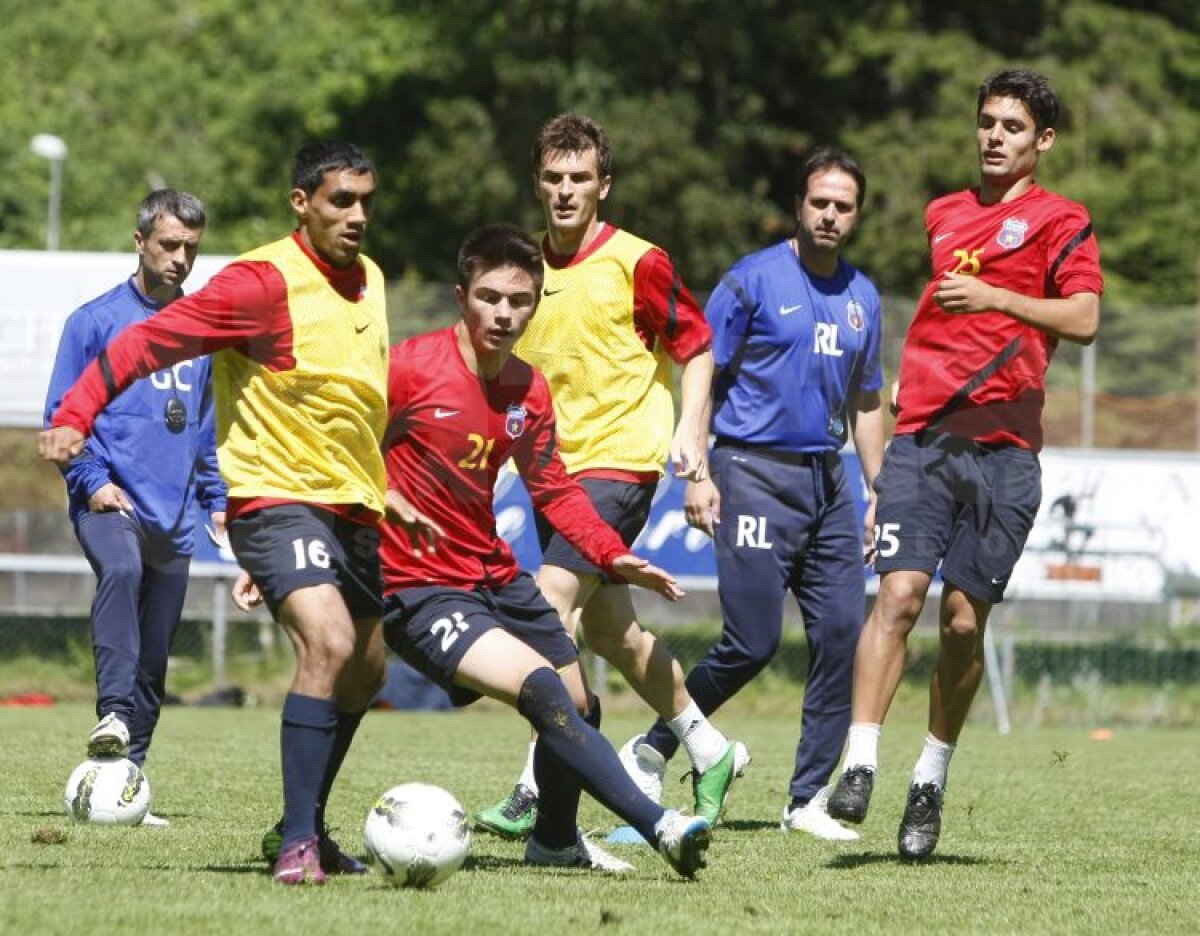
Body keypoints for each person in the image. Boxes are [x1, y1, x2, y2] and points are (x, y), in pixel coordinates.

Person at [40, 140, 392, 886]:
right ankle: (296, 845)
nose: (358, 215)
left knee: (364, 671)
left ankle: (306, 827)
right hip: (275, 496)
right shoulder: (260, 281)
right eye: (341, 200)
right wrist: (76, 416)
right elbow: (148, 342)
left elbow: (361, 406)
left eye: (366, 200)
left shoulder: (373, 282)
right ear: (302, 202)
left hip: (354, 504)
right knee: (325, 645)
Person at [826, 69, 1103, 859]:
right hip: (924, 439)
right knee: (901, 595)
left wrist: (999, 300)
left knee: (959, 620)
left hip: (1008, 454)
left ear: (1042, 141)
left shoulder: (1062, 220)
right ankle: (861, 763)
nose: (994, 137)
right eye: (986, 122)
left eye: (1012, 127)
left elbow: (1083, 318)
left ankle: (930, 779)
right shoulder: (943, 213)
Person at [381, 223, 712, 877]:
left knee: (578, 701)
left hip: (491, 573)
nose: (505, 314)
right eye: (490, 297)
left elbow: (554, 490)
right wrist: (382, 499)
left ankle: (555, 842)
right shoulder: (410, 367)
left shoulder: (527, 389)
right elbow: (349, 444)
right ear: (460, 296)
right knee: (540, 690)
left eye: (520, 300)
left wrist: (609, 553)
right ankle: (661, 825)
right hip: (419, 579)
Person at [474, 114, 748, 840]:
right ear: (538, 183)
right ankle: (709, 749)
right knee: (612, 631)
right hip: (551, 476)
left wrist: (693, 435)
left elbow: (696, 346)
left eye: (580, 179)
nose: (566, 192)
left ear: (604, 185)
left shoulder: (639, 261)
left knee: (548, 604)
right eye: (553, 179)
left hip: (620, 463)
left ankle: (535, 784)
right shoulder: (523, 273)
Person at [620, 148, 884, 842]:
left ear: (857, 215)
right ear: (800, 204)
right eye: (820, 201)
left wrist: (879, 488)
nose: (830, 214)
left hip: (829, 483)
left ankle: (806, 801)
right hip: (750, 473)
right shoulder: (751, 281)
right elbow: (701, 370)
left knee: (841, 634)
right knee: (754, 640)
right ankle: (652, 749)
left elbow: (865, 402)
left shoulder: (864, 298)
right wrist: (699, 471)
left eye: (844, 206)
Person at [43, 189, 226, 827]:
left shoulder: (201, 334)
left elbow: (204, 429)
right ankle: (112, 714)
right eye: (170, 245)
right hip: (106, 499)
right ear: (140, 241)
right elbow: (63, 418)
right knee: (119, 570)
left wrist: (218, 501)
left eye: (191, 249)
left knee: (155, 659)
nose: (181, 259)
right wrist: (91, 479)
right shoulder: (94, 322)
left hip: (173, 518)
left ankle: (126, 784)